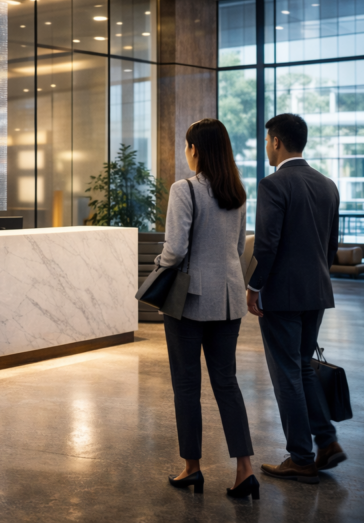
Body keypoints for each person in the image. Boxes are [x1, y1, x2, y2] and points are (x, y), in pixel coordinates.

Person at [156, 119, 258, 499]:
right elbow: (236, 250)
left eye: (187, 146)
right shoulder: (238, 193)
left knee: (186, 384)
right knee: (227, 382)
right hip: (229, 298)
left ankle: (192, 468)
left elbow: (176, 249)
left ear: (195, 150)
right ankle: (245, 470)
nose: (186, 152)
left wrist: (159, 265)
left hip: (188, 301)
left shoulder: (184, 190)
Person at [247, 113, 344, 483]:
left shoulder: (274, 185)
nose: (267, 146)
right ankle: (326, 441)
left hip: (283, 295)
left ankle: (301, 457)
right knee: (302, 367)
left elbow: (267, 244)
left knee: (286, 372)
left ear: (276, 141)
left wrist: (254, 287)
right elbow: (331, 246)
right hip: (317, 291)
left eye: (268, 140)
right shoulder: (327, 185)